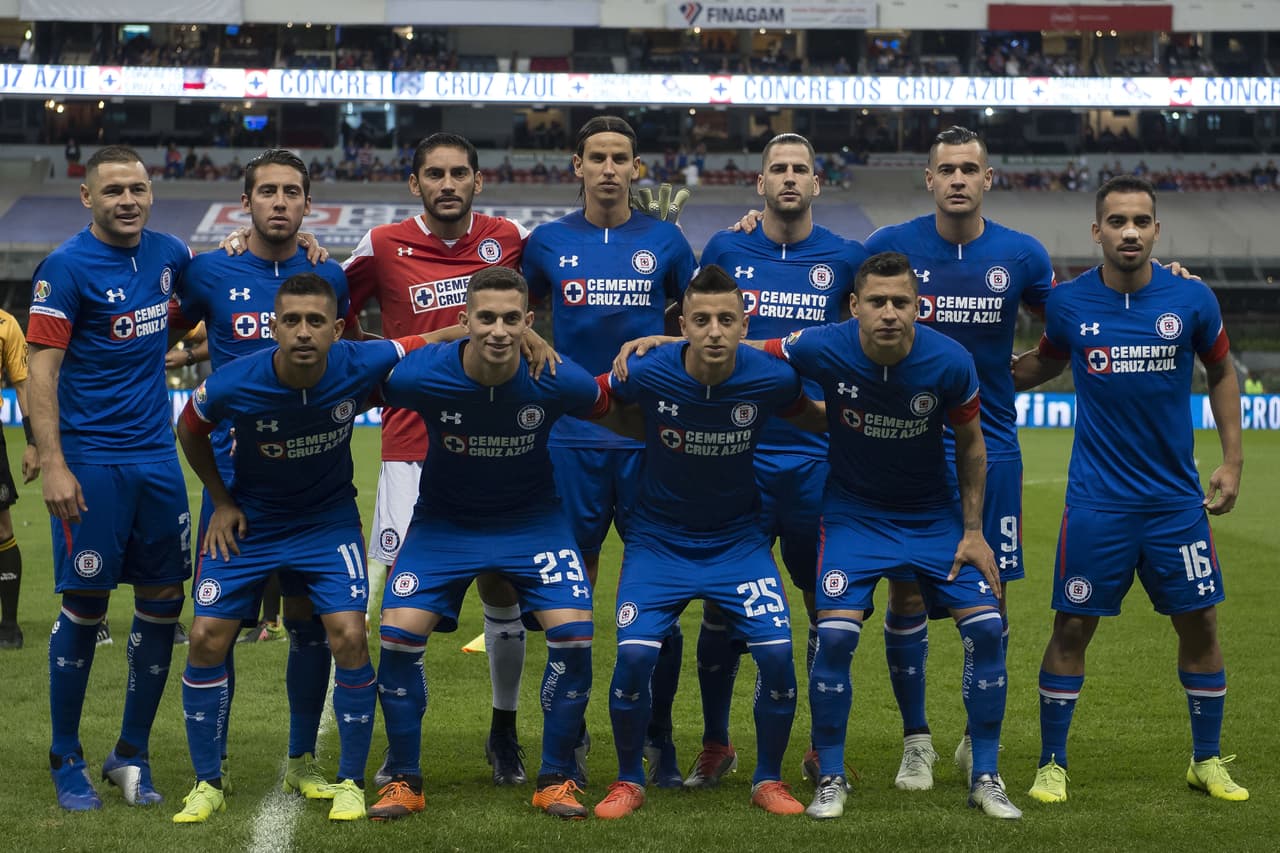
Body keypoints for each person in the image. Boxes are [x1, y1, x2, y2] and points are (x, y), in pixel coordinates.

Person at [1012, 176, 1248, 804]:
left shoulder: (1192, 300)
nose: (1130, 232)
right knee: (1070, 629)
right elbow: (1047, 359)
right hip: (1097, 504)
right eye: (1117, 221)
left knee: (1200, 625)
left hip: (1176, 504)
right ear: (1097, 232)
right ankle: (1052, 765)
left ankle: (1206, 761)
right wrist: (976, 377)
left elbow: (1221, 369)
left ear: (1156, 231)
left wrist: (1232, 460)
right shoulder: (1068, 304)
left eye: (1141, 221)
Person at [761, 251, 1020, 820]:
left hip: (933, 516)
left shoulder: (950, 361)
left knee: (987, 630)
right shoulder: (823, 345)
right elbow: (750, 349)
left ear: (918, 307)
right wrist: (665, 345)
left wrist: (973, 531)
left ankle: (986, 775)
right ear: (854, 306)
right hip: (854, 515)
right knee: (834, 639)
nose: (889, 313)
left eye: (901, 302)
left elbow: (974, 448)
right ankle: (830, 777)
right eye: (876, 302)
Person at [171, 274, 426, 823]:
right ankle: (207, 781)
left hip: (325, 523)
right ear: (273, 326)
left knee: (348, 635)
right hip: (251, 521)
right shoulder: (234, 383)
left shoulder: (360, 362)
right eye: (291, 321)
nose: (303, 332)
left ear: (337, 329)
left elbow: (434, 337)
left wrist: (519, 334)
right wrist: (220, 499)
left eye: (316, 322)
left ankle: (336, 777)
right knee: (206, 636)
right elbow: (190, 429)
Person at [367, 267, 604, 821]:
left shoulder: (555, 378)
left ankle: (556, 777)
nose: (499, 330)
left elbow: (611, 407)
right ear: (464, 321)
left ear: (530, 322)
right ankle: (404, 777)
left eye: (511, 319)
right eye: (486, 318)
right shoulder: (422, 373)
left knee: (573, 633)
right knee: (399, 635)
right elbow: (353, 382)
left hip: (532, 523)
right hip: (444, 524)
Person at [860, 126, 1056, 789]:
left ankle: (979, 734)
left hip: (991, 446)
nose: (959, 179)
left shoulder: (1022, 255)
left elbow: (1067, 330)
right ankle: (916, 739)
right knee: (907, 587)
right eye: (947, 168)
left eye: (970, 168)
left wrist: (1007, 378)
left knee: (990, 597)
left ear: (989, 178)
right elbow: (835, 300)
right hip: (905, 446)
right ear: (929, 178)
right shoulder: (890, 247)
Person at [341, 132, 536, 786]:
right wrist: (370, 365)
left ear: (478, 180)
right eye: (435, 173)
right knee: (405, 605)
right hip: (410, 446)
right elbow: (324, 298)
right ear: (415, 183)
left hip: (495, 440)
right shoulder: (381, 244)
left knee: (502, 588)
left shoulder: (509, 237)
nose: (447, 183)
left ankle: (503, 731)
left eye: (459, 173)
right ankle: (403, 751)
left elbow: (548, 299)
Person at [593, 265, 822, 820]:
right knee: (631, 659)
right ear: (682, 325)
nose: (715, 331)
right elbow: (586, 397)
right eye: (702, 320)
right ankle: (628, 780)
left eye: (726, 319)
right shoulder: (645, 371)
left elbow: (815, 419)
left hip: (738, 543)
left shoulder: (772, 378)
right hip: (657, 542)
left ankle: (768, 779)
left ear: (746, 323)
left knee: (776, 657)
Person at [676, 133, 867, 787]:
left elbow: (864, 340)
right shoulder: (727, 248)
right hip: (740, 457)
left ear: (818, 182)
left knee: (825, 606)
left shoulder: (846, 259)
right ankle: (715, 742)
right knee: (723, 606)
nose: (789, 179)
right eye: (777, 170)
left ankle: (818, 744)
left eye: (800, 170)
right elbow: (700, 331)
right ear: (759, 183)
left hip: (818, 459)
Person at [522, 115, 696, 786]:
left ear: (635, 169)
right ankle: (569, 741)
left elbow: (706, 315)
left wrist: (669, 345)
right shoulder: (546, 243)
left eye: (619, 157)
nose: (607, 168)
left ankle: (660, 737)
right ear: (577, 165)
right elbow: (513, 312)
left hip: (650, 439)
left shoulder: (666, 240)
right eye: (596, 156)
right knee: (570, 600)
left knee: (662, 594)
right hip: (570, 440)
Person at [174, 148, 351, 798]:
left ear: (309, 204)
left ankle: (303, 762)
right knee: (211, 631)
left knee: (311, 625)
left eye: (292, 191)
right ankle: (207, 776)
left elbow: (350, 359)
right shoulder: (208, 271)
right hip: (234, 488)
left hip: (313, 487)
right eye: (267, 191)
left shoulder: (327, 274)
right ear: (245, 202)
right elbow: (153, 338)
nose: (279, 201)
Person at [28, 145, 193, 810]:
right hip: (92, 460)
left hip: (157, 456)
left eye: (139, 188)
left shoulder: (170, 254)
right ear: (87, 198)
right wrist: (56, 462)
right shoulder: (66, 266)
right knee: (86, 603)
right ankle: (65, 754)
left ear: (151, 194)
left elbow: (191, 302)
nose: (128, 199)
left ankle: (131, 752)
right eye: (114, 189)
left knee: (162, 603)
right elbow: (42, 368)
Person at [0, 308, 40, 649]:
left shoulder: (5, 324)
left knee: (2, 528)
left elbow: (22, 381)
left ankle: (9, 626)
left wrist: (32, 442)